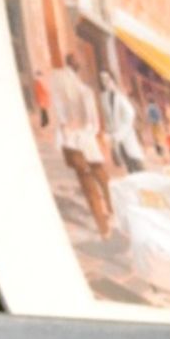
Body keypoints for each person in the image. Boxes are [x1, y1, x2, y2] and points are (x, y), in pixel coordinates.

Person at [53, 53, 113, 237]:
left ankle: (103, 228)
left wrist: (67, 130)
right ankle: (111, 211)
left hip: (71, 142)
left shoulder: (58, 81)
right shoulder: (85, 92)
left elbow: (60, 113)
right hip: (86, 142)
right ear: (78, 67)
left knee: (89, 187)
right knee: (102, 179)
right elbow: (93, 124)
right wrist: (90, 133)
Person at [99, 70, 146, 174]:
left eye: (107, 79)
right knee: (128, 166)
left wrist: (119, 133)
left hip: (126, 135)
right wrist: (110, 136)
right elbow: (107, 119)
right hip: (115, 139)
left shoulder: (120, 95)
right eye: (102, 79)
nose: (105, 82)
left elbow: (130, 114)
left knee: (137, 164)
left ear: (112, 79)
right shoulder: (103, 97)